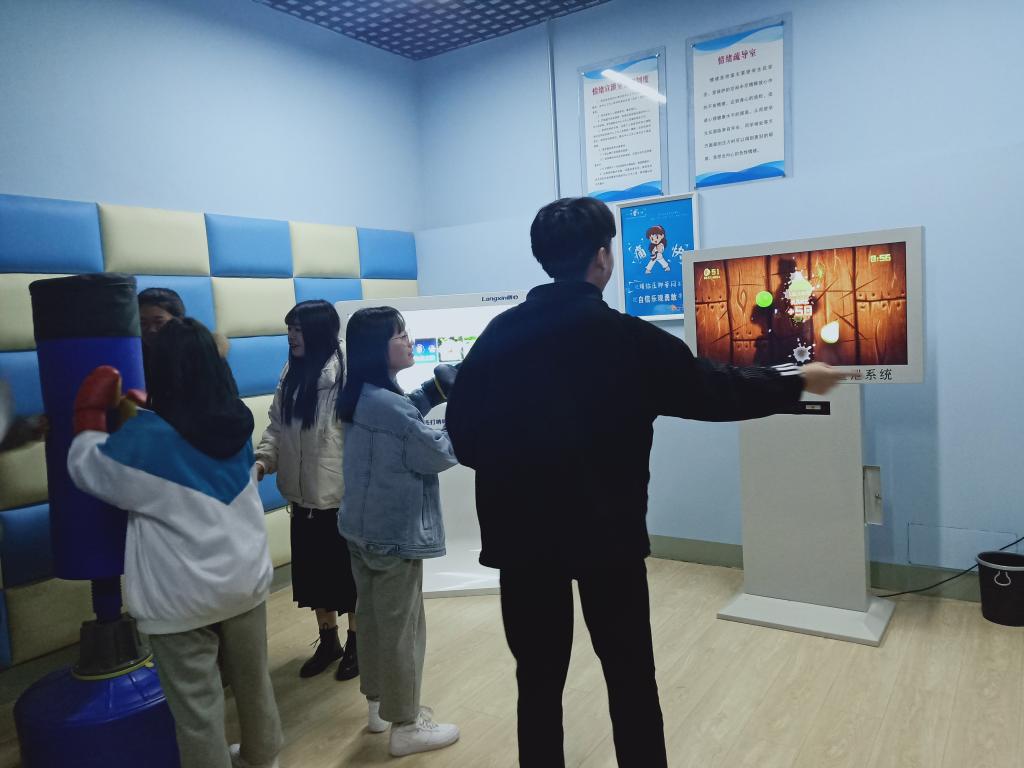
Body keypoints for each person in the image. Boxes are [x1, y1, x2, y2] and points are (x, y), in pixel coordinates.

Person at [443, 196, 847, 768]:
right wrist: (797, 382)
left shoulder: (497, 337)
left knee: (536, 678)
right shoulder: (628, 339)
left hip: (523, 540)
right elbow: (715, 389)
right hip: (607, 536)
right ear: (603, 258)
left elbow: (463, 436)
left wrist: (521, 470)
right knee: (630, 672)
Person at [67, 318, 282, 768]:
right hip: (244, 580)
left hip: (181, 595)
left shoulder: (145, 440)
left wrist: (89, 415)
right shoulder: (237, 421)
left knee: (198, 711)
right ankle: (263, 759)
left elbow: (85, 466)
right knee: (254, 686)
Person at [337, 307, 460, 758]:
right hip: (393, 531)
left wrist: (432, 392)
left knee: (372, 621)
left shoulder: (361, 394)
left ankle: (378, 707)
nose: (409, 341)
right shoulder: (388, 406)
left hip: (363, 528)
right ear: (378, 348)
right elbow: (436, 453)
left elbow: (400, 422)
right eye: (400, 335)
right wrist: (464, 409)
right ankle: (406, 725)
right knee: (402, 629)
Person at [254, 300, 359, 681]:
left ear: (318, 331)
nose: (291, 336)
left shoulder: (347, 372)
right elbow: (277, 427)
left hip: (338, 496)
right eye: (289, 329)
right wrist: (262, 461)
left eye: (298, 329)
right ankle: (328, 640)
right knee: (315, 579)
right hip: (301, 497)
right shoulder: (292, 372)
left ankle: (358, 643)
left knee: (347, 579)